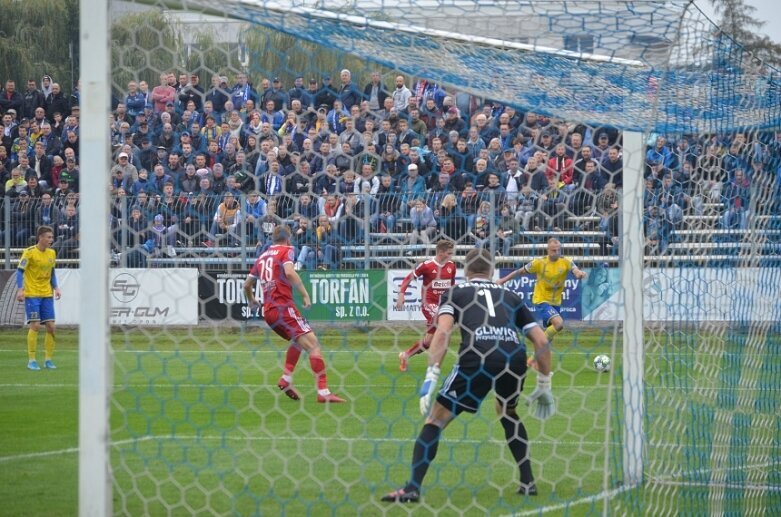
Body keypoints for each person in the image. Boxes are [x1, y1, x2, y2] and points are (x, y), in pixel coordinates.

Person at [381, 248, 554, 503]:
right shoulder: (510, 295)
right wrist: (544, 382)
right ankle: (528, 482)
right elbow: (540, 339)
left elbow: (442, 332)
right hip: (513, 356)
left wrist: (432, 373)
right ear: (492, 270)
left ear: (466, 271)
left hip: (478, 356)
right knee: (507, 411)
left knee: (435, 420)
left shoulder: (456, 293)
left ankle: (412, 488)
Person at [243, 226, 345, 403]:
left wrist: (252, 300)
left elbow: (246, 285)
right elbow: (289, 272)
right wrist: (305, 294)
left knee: (299, 341)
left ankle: (286, 379)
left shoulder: (262, 257)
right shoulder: (287, 250)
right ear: (288, 238)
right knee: (313, 344)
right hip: (283, 308)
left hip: (269, 312)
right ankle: (323, 392)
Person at [498, 238, 586, 344]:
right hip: (541, 299)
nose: (557, 252)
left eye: (558, 250)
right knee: (559, 324)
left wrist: (579, 274)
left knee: (550, 333)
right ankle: (539, 343)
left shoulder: (566, 261)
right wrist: (503, 280)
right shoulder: (539, 262)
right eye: (554, 250)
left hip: (556, 302)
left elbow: (575, 270)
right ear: (548, 250)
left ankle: (537, 356)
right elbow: (520, 271)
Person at [395, 240, 456, 372]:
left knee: (427, 342)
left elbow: (452, 285)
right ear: (440, 252)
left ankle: (405, 355)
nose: (451, 255)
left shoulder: (452, 266)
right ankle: (435, 362)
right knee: (439, 319)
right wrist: (401, 293)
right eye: (449, 253)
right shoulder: (427, 266)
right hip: (429, 303)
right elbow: (409, 278)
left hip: (444, 304)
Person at [16, 225, 62, 371]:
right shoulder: (29, 253)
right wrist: (20, 289)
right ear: (40, 237)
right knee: (35, 325)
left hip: (47, 294)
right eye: (48, 237)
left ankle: (48, 360)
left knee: (51, 327)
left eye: (52, 237)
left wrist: (56, 287)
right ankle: (32, 360)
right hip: (32, 294)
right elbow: (19, 271)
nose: (51, 240)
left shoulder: (52, 253)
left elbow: (52, 272)